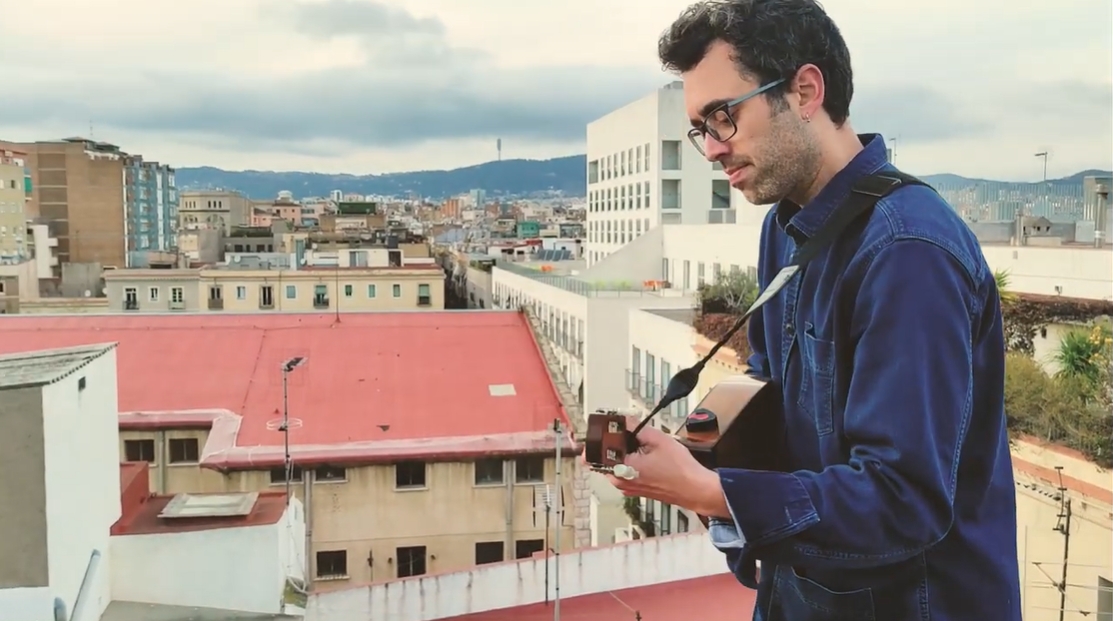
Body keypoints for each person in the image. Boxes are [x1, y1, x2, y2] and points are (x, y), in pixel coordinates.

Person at [604, 1, 1022, 619]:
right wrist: (689, 452)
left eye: (724, 116)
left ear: (804, 90)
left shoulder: (908, 249)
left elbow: (904, 500)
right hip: (801, 594)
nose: (714, 150)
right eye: (701, 129)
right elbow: (775, 412)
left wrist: (714, 493)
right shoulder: (785, 227)